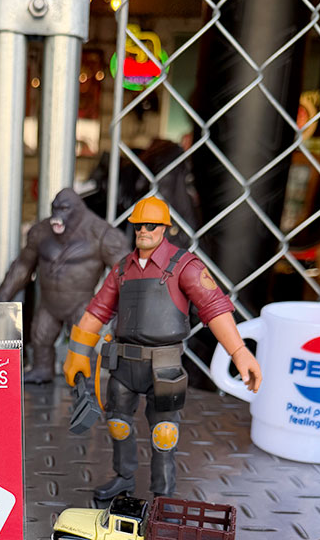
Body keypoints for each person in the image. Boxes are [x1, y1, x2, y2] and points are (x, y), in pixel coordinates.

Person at [63, 195, 261, 499]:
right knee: (118, 424)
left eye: (151, 225)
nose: (144, 230)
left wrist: (239, 351)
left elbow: (214, 307)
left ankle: (163, 493)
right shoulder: (122, 269)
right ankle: (124, 477)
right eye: (138, 225)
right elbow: (97, 311)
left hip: (164, 365)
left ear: (164, 228)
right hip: (124, 364)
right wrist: (77, 352)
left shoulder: (184, 265)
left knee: (164, 433)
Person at [0, 188, 130, 383]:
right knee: (40, 337)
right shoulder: (41, 231)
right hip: (49, 303)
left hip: (81, 302)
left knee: (83, 345)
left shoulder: (101, 233)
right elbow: (23, 265)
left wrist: (122, 310)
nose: (57, 216)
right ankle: (42, 370)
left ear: (77, 210)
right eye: (55, 209)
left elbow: (125, 273)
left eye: (64, 209)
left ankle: (86, 381)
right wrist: (3, 295)